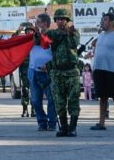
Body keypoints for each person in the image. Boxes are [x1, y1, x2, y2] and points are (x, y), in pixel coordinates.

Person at [39, 8, 80, 137]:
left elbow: (74, 44)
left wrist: (69, 34)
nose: (60, 21)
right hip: (57, 72)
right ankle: (63, 127)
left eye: (63, 19)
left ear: (67, 20)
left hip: (71, 71)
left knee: (73, 100)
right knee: (59, 101)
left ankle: (72, 127)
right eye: (58, 19)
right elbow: (43, 41)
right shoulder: (53, 33)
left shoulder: (74, 32)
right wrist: (38, 33)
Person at [89, 13, 114, 132]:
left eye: (105, 20)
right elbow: (96, 48)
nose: (103, 22)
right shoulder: (101, 35)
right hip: (99, 70)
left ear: (112, 22)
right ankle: (101, 123)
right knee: (102, 97)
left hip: (113, 71)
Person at [29, 13, 58, 132]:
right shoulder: (32, 36)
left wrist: (50, 66)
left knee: (51, 99)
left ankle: (52, 122)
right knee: (35, 100)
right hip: (33, 71)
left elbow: (56, 53)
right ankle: (42, 122)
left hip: (47, 72)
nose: (36, 24)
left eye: (38, 22)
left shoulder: (53, 36)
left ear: (45, 23)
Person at [14, 22, 34, 117]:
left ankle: (34, 110)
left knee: (35, 90)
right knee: (25, 90)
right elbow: (13, 39)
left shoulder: (36, 40)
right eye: (28, 31)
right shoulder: (23, 41)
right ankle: (25, 109)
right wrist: (18, 30)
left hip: (35, 68)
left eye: (31, 30)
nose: (29, 32)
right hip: (25, 68)